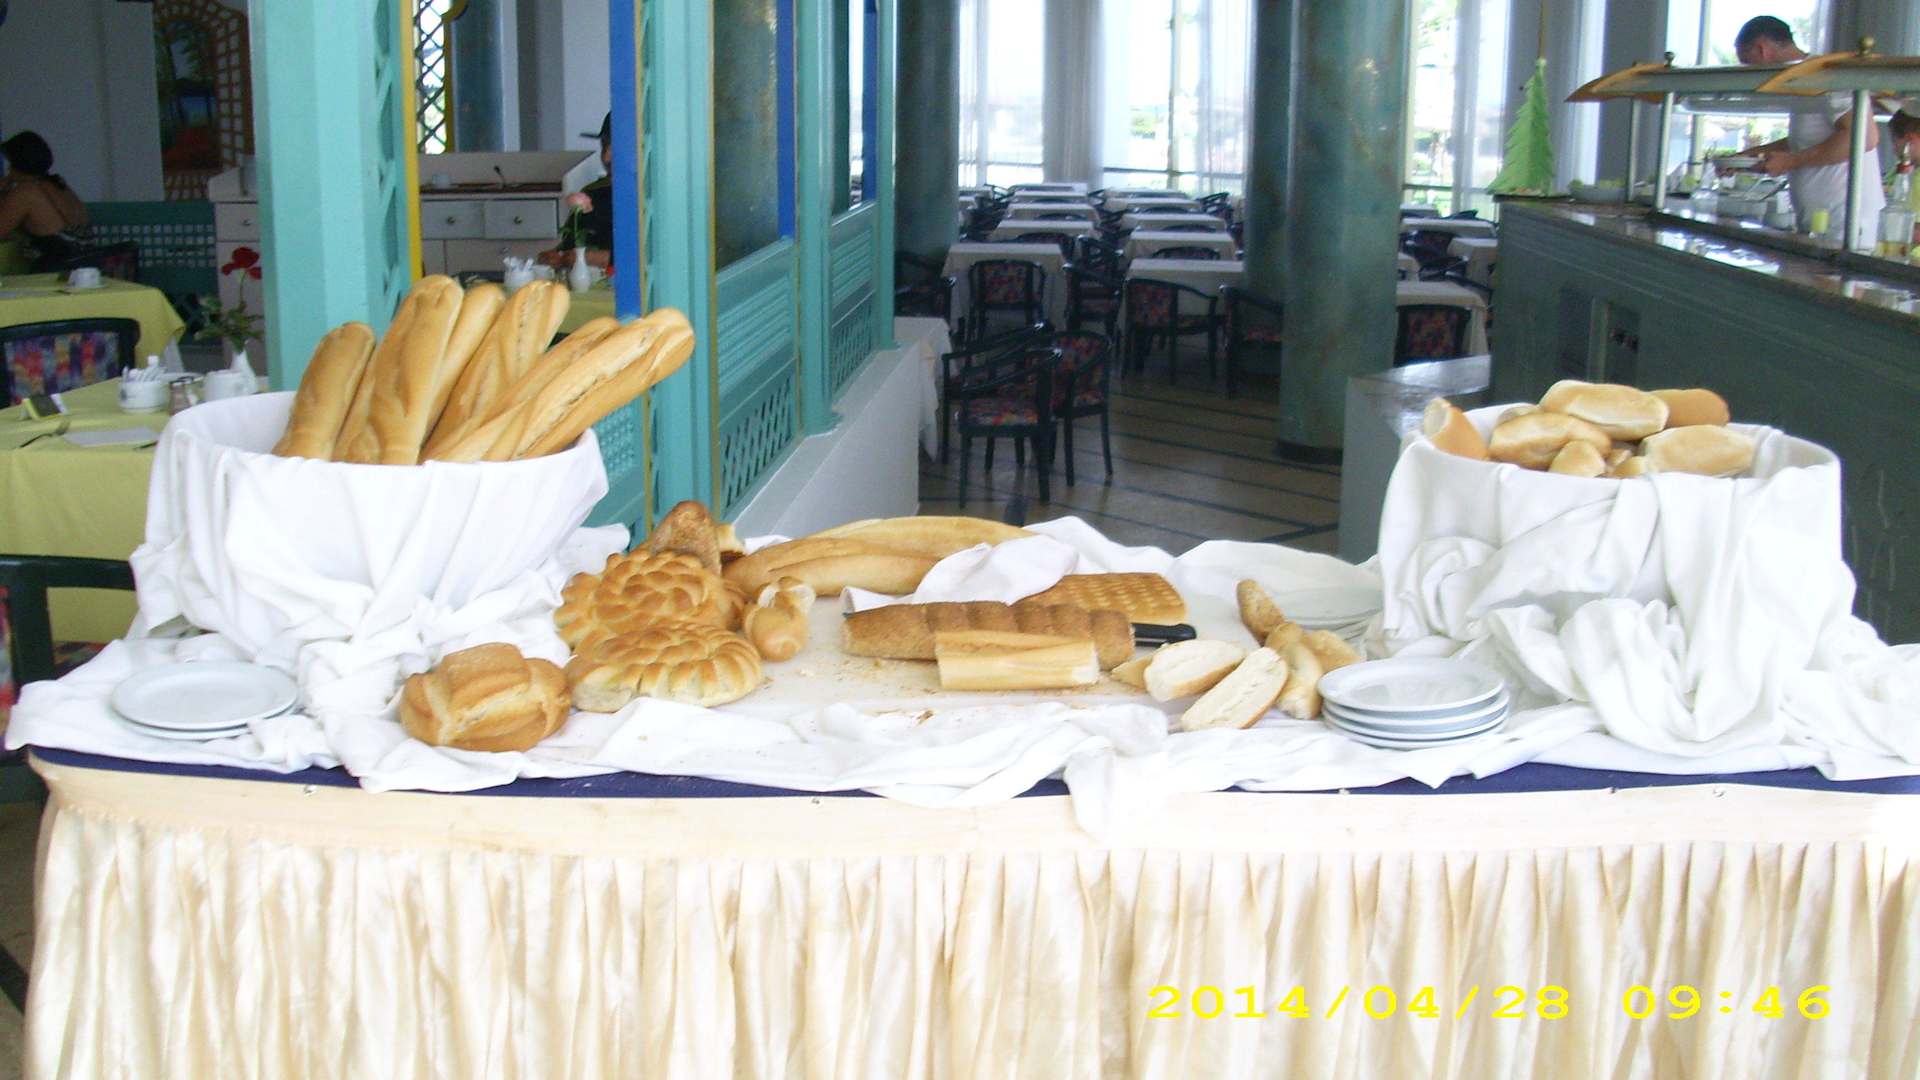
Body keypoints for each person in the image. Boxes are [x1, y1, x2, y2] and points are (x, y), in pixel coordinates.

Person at [1733, 16, 1883, 245]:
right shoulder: (1798, 80)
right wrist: (1748, 156)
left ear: (1762, 49)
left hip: (1845, 222)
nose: (1748, 71)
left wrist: (1791, 162)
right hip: (1819, 221)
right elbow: (1803, 140)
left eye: (1747, 62)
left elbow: (1865, 137)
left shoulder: (1824, 75)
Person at [0, 131, 90, 268]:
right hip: (86, 266)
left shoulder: (25, 193)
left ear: (17, 165)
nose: (8, 169)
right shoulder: (58, 184)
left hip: (59, 270)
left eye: (10, 164)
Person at [540, 112, 614, 271]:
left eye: (617, 147)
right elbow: (569, 247)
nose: (606, 158)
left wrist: (596, 258)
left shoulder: (657, 199)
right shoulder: (593, 194)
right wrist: (554, 257)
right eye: (604, 146)